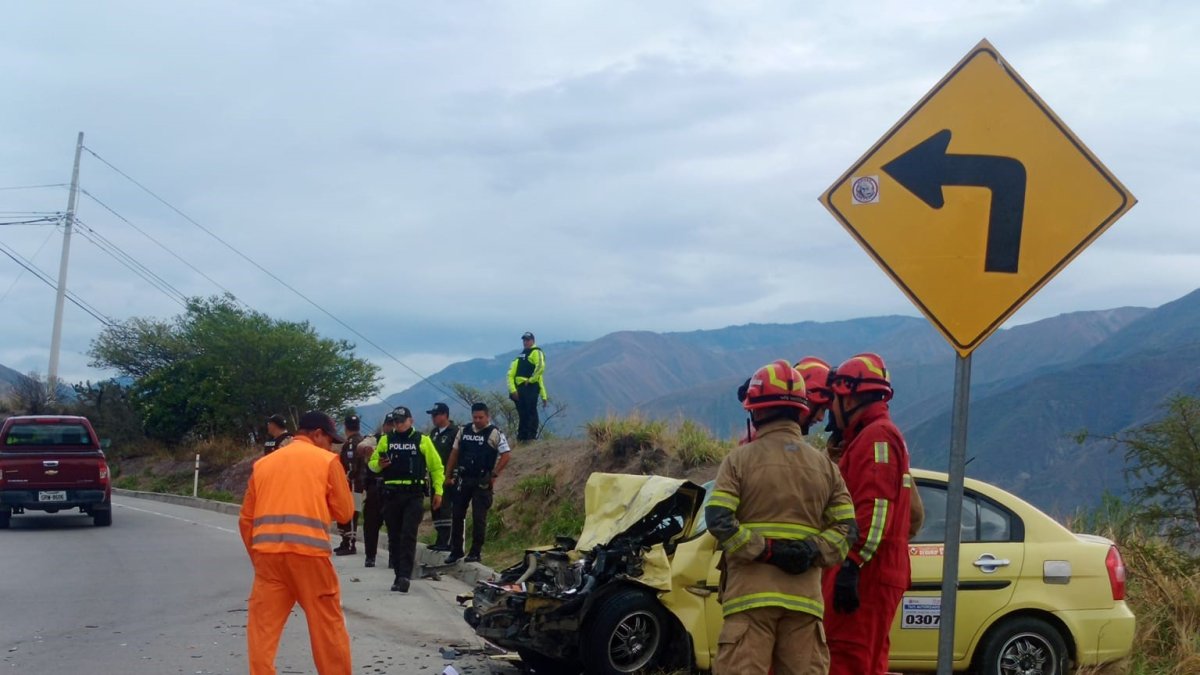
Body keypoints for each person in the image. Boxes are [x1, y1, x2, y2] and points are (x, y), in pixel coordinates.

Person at [705, 360, 857, 675]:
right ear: (801, 411)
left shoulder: (739, 461)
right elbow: (846, 529)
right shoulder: (825, 466)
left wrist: (765, 550)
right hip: (804, 602)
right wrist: (811, 551)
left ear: (756, 412)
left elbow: (719, 519)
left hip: (749, 601)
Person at [239, 410, 353, 675]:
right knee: (327, 627)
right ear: (317, 434)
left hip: (268, 559)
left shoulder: (264, 464)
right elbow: (345, 513)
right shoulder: (327, 461)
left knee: (262, 629)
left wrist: (258, 558)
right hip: (310, 557)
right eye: (329, 439)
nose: (331, 445)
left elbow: (246, 520)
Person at [821, 353, 913, 675]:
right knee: (865, 658)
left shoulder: (876, 438)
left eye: (835, 399)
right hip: (870, 569)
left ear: (852, 396)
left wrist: (852, 563)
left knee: (849, 656)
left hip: (867, 573)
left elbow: (876, 508)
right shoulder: (872, 436)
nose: (830, 408)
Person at [368, 406, 444, 592]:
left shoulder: (422, 440)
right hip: (392, 494)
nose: (399, 424)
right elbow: (372, 466)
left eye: (402, 421)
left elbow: (436, 468)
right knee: (394, 537)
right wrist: (379, 464)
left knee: (408, 535)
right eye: (396, 421)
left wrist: (438, 491)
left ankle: (404, 576)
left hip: (413, 495)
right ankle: (397, 574)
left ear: (411, 421)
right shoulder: (386, 440)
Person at [443, 402, 511, 564]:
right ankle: (456, 550)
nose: (477, 420)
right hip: (464, 478)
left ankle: (475, 552)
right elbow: (454, 453)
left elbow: (506, 455)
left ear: (488, 416)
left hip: (481, 481)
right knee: (457, 514)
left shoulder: (495, 433)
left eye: (481, 417)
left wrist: (493, 475)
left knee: (479, 517)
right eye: (475, 417)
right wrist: (448, 475)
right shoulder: (463, 431)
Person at [358, 413, 396, 568]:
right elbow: (361, 446)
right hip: (375, 487)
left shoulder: (401, 441)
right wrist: (370, 450)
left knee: (394, 525)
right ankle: (370, 556)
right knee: (371, 524)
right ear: (384, 425)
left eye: (394, 424)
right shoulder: (375, 438)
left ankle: (394, 559)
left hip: (394, 487)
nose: (391, 427)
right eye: (389, 424)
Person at [426, 402, 458, 552]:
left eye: (436, 415)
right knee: (436, 508)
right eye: (432, 415)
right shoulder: (433, 433)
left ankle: (448, 540)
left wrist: (452, 475)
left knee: (446, 508)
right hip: (434, 477)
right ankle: (440, 539)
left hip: (448, 476)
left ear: (445, 415)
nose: (433, 418)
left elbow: (458, 454)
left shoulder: (455, 432)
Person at [507, 331, 547, 441]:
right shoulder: (520, 356)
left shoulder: (536, 352)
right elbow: (510, 375)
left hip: (531, 387)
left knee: (531, 412)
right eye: (524, 340)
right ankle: (522, 438)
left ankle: (531, 437)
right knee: (523, 414)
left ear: (533, 341)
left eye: (528, 340)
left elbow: (540, 369)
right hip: (520, 388)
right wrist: (513, 390)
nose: (525, 342)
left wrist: (531, 380)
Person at [334, 415, 364, 556]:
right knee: (350, 512)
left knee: (351, 512)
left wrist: (347, 477)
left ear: (346, 427)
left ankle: (350, 544)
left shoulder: (352, 443)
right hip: (356, 483)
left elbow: (352, 466)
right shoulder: (360, 440)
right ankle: (345, 541)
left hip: (353, 484)